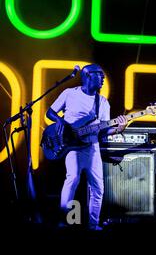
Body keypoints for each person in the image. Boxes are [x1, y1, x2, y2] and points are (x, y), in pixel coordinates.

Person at [46, 64, 127, 230]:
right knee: (73, 178)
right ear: (88, 75)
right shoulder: (69, 94)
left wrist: (119, 128)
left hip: (92, 147)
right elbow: (50, 112)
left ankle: (93, 224)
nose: (104, 79)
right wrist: (60, 120)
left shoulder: (103, 102)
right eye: (100, 75)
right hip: (72, 147)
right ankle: (63, 221)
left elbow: (102, 132)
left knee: (98, 187)